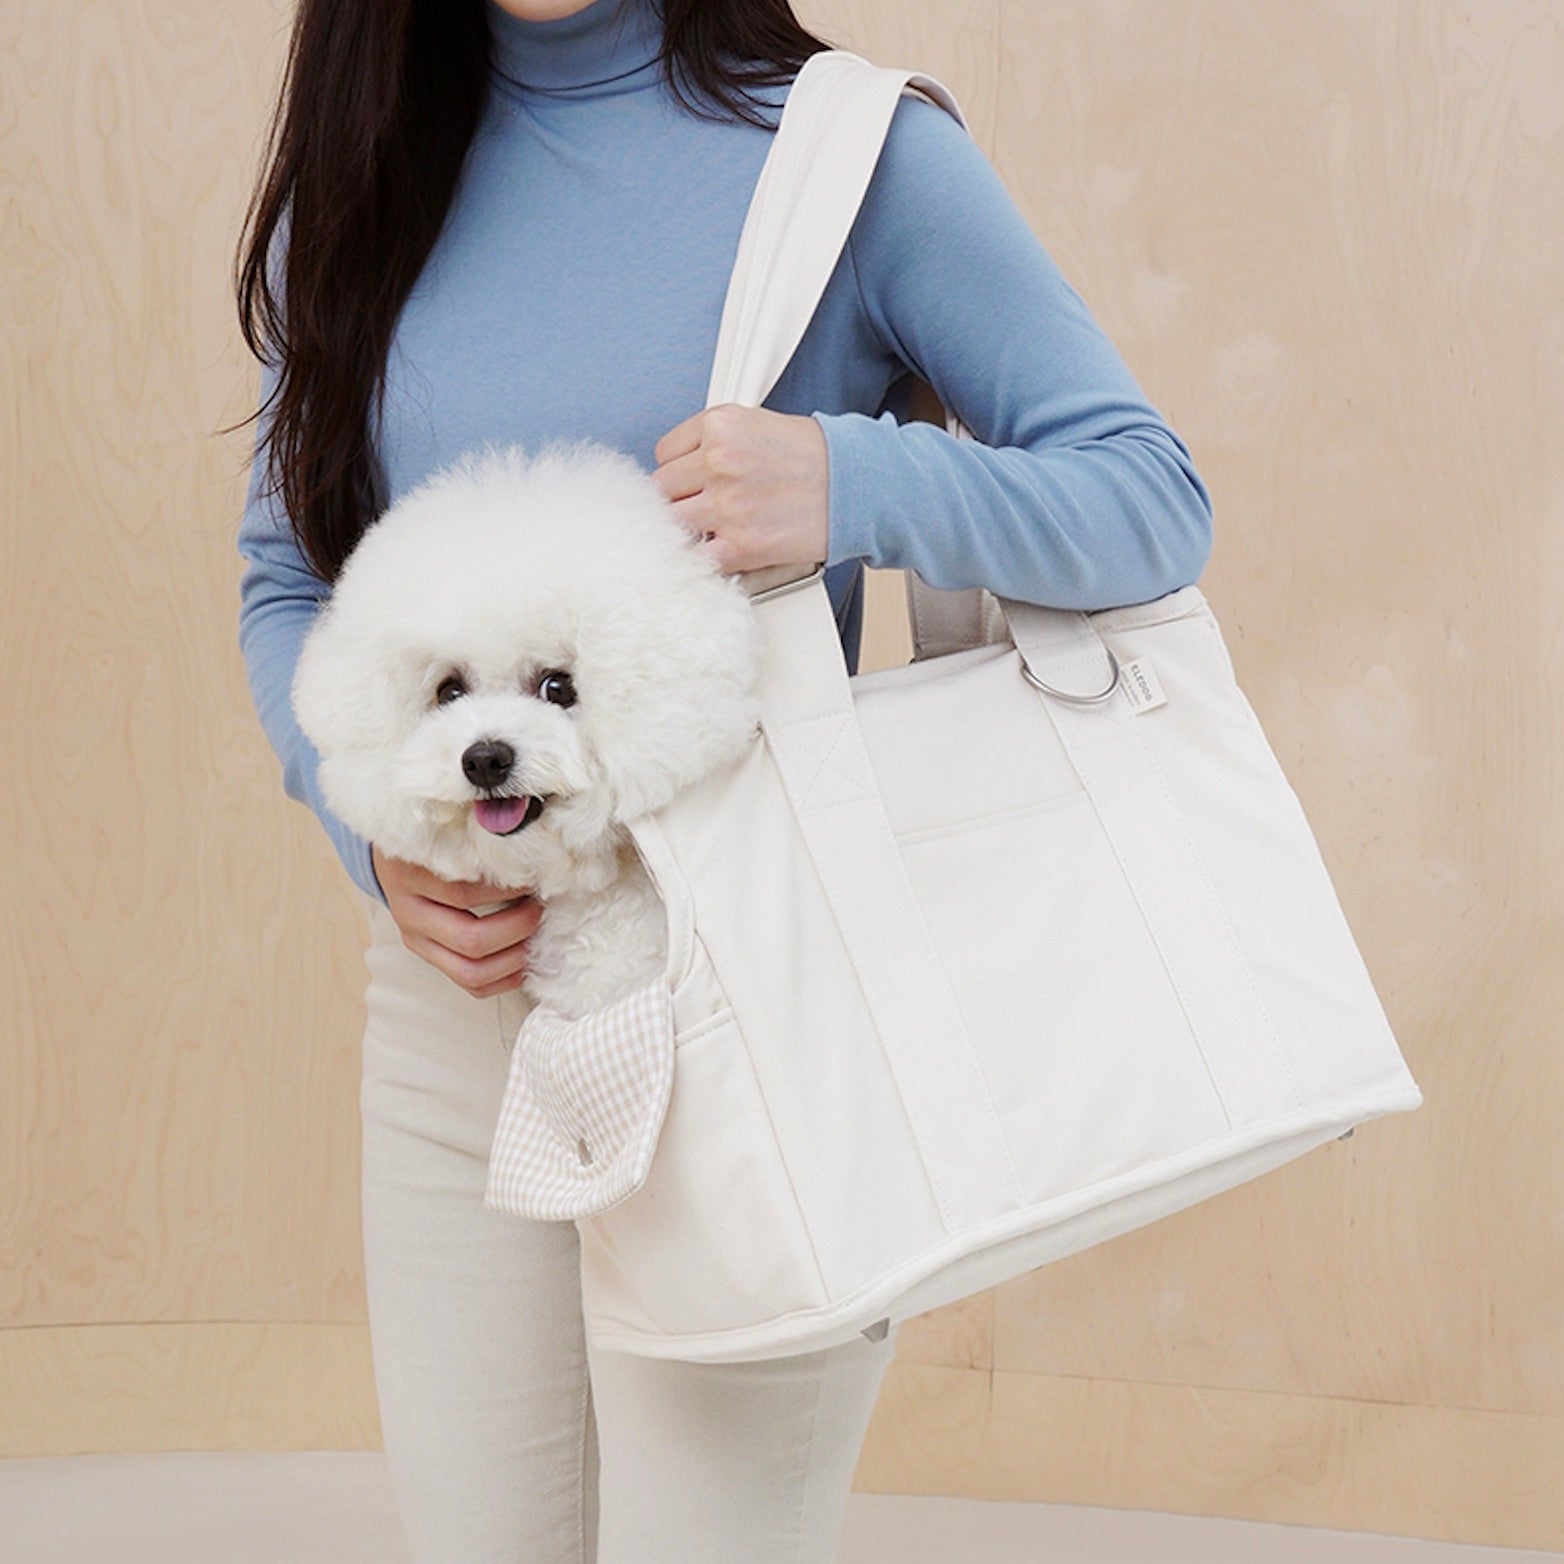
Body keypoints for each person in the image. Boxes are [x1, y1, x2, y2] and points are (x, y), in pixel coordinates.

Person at [232, 1, 1214, 1559]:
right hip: (454, 1020)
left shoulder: (853, 157)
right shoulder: (367, 169)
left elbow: (1150, 499)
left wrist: (854, 477)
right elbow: (292, 576)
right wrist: (377, 843)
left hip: (761, 998)